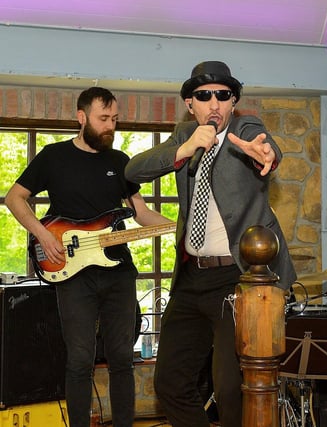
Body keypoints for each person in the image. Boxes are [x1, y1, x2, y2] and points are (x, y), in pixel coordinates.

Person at [124, 60, 296, 427]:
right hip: (190, 279)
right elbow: (132, 171)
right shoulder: (183, 134)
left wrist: (265, 155)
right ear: (191, 104)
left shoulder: (245, 128)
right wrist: (184, 148)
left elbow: (267, 149)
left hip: (236, 279)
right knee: (170, 383)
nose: (214, 103)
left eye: (223, 95)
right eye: (204, 96)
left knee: (230, 389)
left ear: (233, 102)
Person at [5, 87, 172, 427]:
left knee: (122, 358)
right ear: (81, 118)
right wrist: (41, 234)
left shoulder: (120, 161)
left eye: (114, 119)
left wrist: (179, 226)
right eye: (103, 119)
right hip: (73, 273)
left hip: (118, 271)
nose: (111, 126)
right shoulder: (53, 157)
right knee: (79, 360)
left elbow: (140, 214)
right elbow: (14, 198)